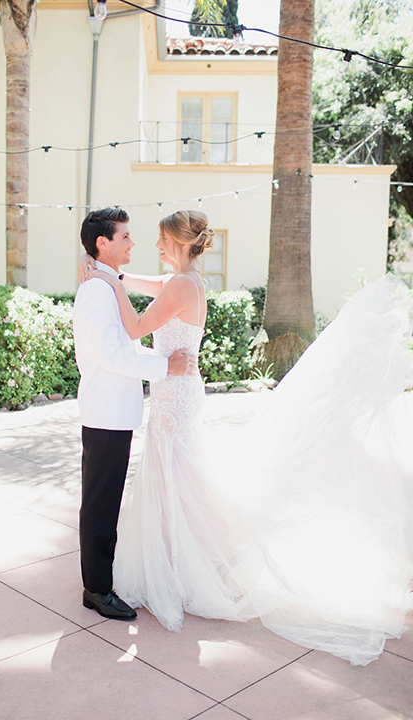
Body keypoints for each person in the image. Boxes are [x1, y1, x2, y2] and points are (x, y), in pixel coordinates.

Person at [80, 210, 413, 666]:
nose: (154, 246)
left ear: (179, 243)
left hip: (175, 396)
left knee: (178, 482)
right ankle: (194, 561)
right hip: (179, 394)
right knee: (179, 481)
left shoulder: (179, 285)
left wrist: (109, 281)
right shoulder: (185, 280)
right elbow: (146, 283)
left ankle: (193, 566)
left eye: (160, 240)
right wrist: (114, 274)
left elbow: (136, 328)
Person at [73, 207, 196, 622]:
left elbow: (124, 348)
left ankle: (100, 581)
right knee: (100, 503)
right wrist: (165, 367)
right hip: (105, 411)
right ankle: (97, 590)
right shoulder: (94, 291)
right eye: (125, 237)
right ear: (102, 243)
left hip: (117, 411)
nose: (133, 243)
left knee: (106, 501)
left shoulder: (105, 286)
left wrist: (162, 364)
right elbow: (110, 356)